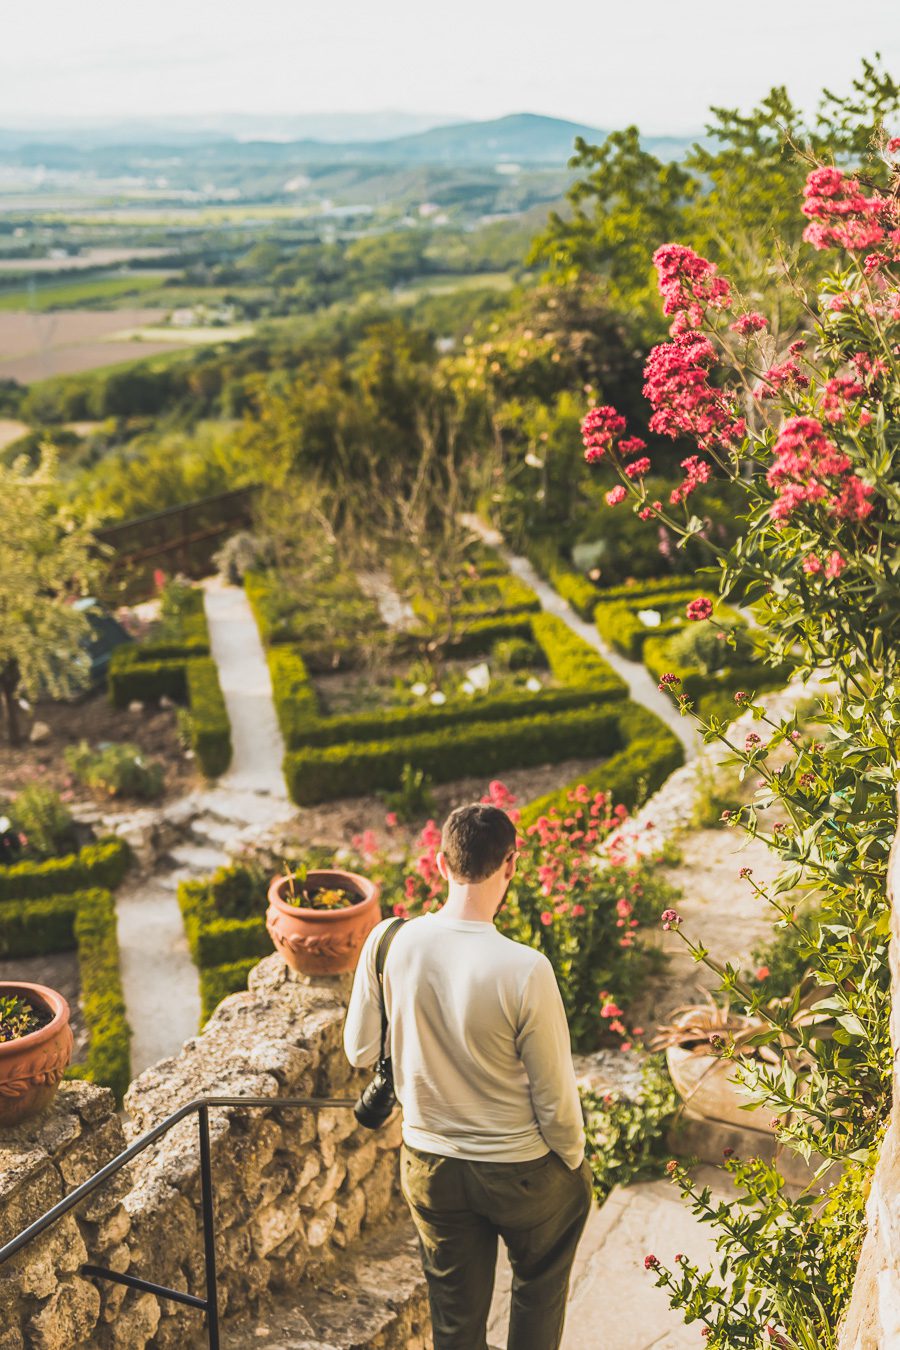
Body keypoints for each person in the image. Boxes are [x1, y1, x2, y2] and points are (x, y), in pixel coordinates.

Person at [343, 801, 592, 1350]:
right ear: (511, 865)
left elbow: (361, 1050)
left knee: (455, 1326)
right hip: (519, 1171)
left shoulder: (387, 941)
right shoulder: (525, 969)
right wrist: (573, 1161)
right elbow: (555, 1103)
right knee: (539, 1280)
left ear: (440, 862)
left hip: (431, 1165)